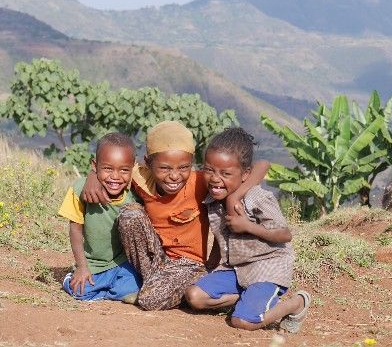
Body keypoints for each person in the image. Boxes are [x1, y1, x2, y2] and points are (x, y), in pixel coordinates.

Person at [80, 121, 269, 311]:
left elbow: (262, 164)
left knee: (149, 301)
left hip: (190, 265)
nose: (174, 176)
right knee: (130, 214)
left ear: (192, 162)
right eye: (164, 168)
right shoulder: (141, 179)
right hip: (155, 260)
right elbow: (115, 167)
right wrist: (93, 175)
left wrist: (235, 196)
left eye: (183, 167)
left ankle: (230, 296)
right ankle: (155, 283)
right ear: (148, 163)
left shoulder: (201, 182)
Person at [184, 127, 310, 333]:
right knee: (194, 296)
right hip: (236, 270)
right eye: (209, 170)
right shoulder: (213, 201)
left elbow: (284, 234)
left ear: (246, 175)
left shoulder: (256, 198)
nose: (215, 179)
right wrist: (210, 266)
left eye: (225, 173)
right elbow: (220, 237)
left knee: (242, 322)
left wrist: (248, 226)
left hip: (266, 269)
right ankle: (248, 299)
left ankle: (295, 304)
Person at [60, 132, 141, 302]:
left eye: (124, 170)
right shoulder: (80, 189)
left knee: (131, 290)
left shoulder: (135, 193)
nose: (115, 176)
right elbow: (75, 229)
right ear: (95, 166)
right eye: (107, 168)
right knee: (80, 291)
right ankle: (72, 278)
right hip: (93, 263)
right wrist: (82, 267)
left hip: (122, 262)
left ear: (133, 168)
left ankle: (106, 289)